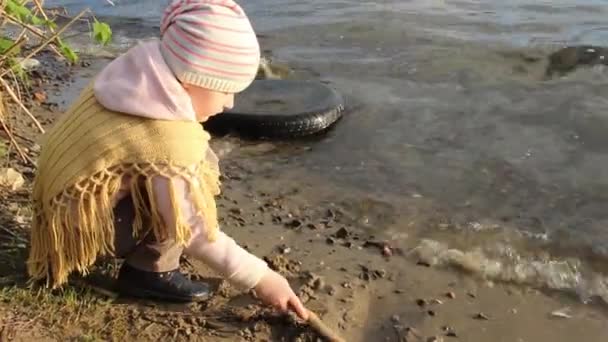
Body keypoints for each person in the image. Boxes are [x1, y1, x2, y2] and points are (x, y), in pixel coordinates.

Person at [26, 0, 309, 320]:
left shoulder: (134, 76)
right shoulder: (166, 138)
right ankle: (149, 273)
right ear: (191, 79)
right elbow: (196, 231)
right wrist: (261, 278)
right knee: (181, 190)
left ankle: (121, 254)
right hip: (78, 232)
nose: (230, 104)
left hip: (56, 216)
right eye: (225, 90)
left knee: (175, 172)